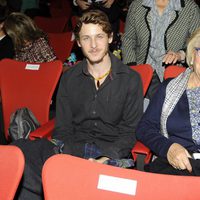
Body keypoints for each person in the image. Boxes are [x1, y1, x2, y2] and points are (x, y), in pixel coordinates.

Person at [13, 9, 143, 199]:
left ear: (110, 38)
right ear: (79, 42)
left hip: (110, 154)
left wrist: (103, 159)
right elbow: (63, 128)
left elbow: (129, 133)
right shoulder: (69, 78)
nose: (93, 45)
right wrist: (68, 158)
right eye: (86, 38)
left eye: (99, 36)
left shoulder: (131, 79)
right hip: (72, 149)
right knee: (18, 153)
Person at [136, 28, 200, 176]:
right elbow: (144, 128)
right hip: (174, 166)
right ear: (192, 56)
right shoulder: (169, 87)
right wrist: (168, 148)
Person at [122, 0, 200, 99]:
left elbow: (196, 42)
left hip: (174, 76)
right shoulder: (137, 5)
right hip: (142, 72)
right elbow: (128, 39)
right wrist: (132, 70)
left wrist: (180, 55)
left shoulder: (190, 8)